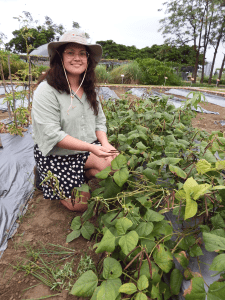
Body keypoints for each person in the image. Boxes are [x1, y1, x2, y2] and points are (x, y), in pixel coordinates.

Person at [31, 29, 118, 212]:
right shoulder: (46, 90)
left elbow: (99, 121)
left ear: (88, 59)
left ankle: (81, 173)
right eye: (70, 52)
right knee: (80, 205)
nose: (77, 58)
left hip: (84, 148)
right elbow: (52, 134)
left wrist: (105, 144)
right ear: (59, 57)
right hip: (57, 155)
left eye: (82, 53)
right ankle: (43, 173)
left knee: (114, 165)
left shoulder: (87, 88)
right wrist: (92, 148)